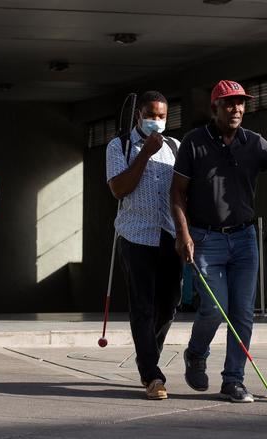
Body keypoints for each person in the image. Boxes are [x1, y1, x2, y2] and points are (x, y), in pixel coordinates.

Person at [171, 80, 267, 403]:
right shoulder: (194, 142)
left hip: (245, 239)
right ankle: (196, 353)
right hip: (205, 237)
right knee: (213, 308)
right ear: (215, 108)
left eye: (240, 103)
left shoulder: (254, 142)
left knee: (242, 314)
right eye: (228, 103)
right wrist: (183, 234)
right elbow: (177, 193)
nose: (236, 109)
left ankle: (233, 380)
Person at [105, 90, 182, 400]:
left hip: (169, 234)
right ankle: (151, 374)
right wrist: (145, 153)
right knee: (143, 306)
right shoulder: (119, 145)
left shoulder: (175, 147)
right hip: (136, 235)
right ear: (138, 115)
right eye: (151, 114)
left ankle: (147, 355)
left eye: (162, 116)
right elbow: (119, 189)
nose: (157, 121)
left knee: (169, 304)